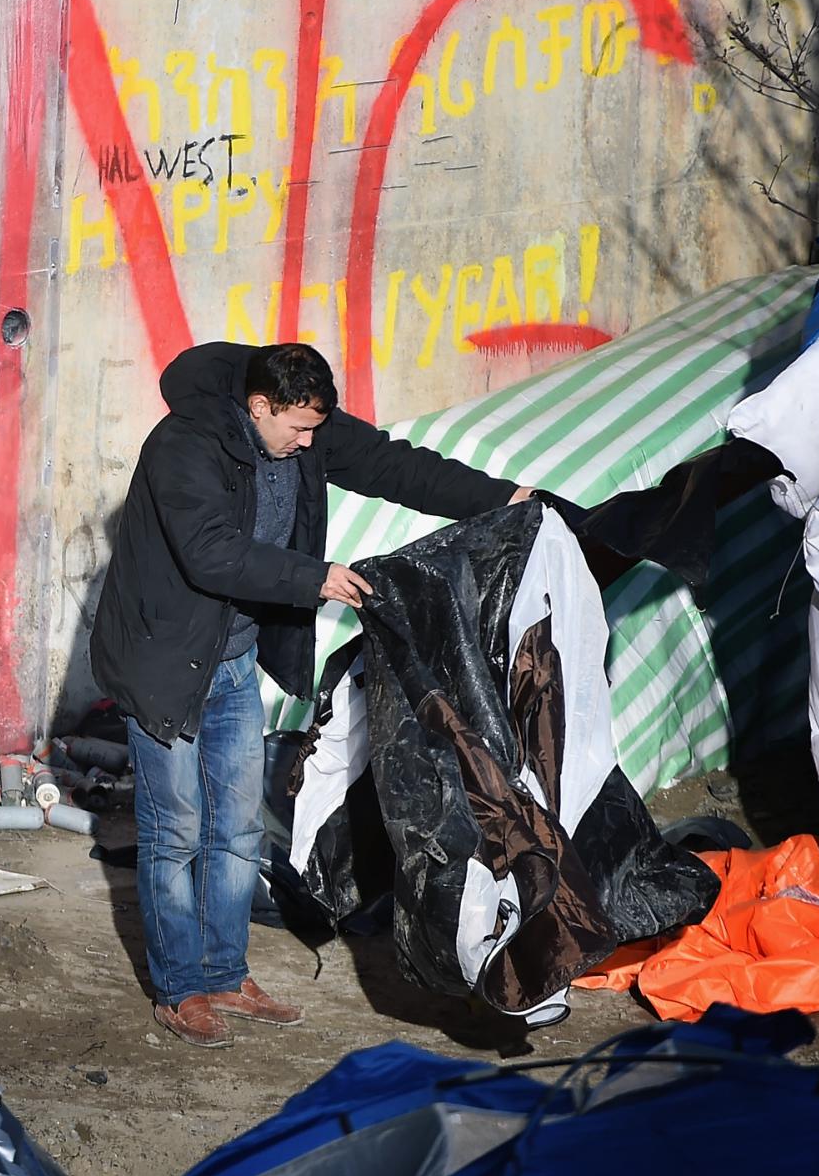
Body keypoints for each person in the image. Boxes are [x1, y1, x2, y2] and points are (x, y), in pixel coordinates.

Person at [90, 341, 535, 1048]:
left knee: (236, 830)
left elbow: (394, 464)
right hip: (165, 661)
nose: (308, 444)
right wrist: (316, 577)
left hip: (230, 660)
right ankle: (180, 989)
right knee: (174, 832)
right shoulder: (184, 444)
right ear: (257, 406)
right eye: (296, 429)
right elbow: (209, 552)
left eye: (315, 430)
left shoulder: (306, 431)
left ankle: (224, 972)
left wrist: (505, 500)